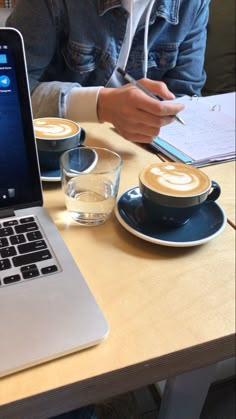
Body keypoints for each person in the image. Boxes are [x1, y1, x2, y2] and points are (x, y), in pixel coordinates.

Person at [6, 0, 210, 145]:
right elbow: (8, 93)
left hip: (143, 155)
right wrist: (98, 104)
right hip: (58, 152)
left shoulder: (193, 4)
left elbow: (186, 95)